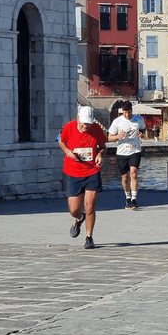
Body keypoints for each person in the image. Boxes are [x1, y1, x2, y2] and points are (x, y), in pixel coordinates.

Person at [58, 106, 107, 250]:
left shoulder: (96, 129)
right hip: (73, 172)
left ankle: (89, 237)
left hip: (92, 171)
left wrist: (100, 154)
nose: (86, 126)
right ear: (78, 119)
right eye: (84, 123)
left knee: (90, 205)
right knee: (74, 209)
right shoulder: (69, 127)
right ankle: (79, 218)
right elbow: (60, 141)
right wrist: (67, 151)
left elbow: (103, 146)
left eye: (89, 124)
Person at [107, 101, 145, 210]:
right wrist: (118, 136)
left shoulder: (138, 119)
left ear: (132, 110)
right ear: (122, 111)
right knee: (125, 177)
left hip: (135, 150)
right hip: (122, 152)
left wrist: (142, 133)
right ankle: (127, 197)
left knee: (133, 173)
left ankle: (134, 199)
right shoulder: (117, 121)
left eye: (129, 112)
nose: (127, 115)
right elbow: (109, 137)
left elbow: (143, 129)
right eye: (125, 112)